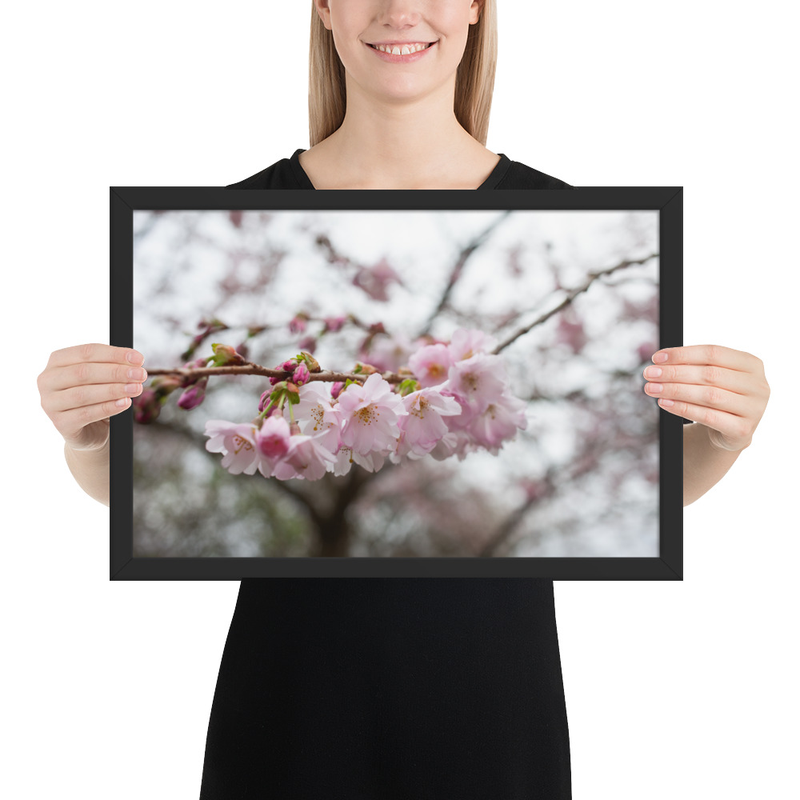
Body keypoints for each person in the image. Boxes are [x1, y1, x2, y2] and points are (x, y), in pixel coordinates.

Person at [36, 1, 770, 797]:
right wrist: (87, 438)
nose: (399, 9)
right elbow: (127, 495)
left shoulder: (564, 206)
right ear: (323, 7)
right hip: (291, 694)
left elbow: (656, 490)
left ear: (477, 7)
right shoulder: (231, 206)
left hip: (492, 694)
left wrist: (723, 436)